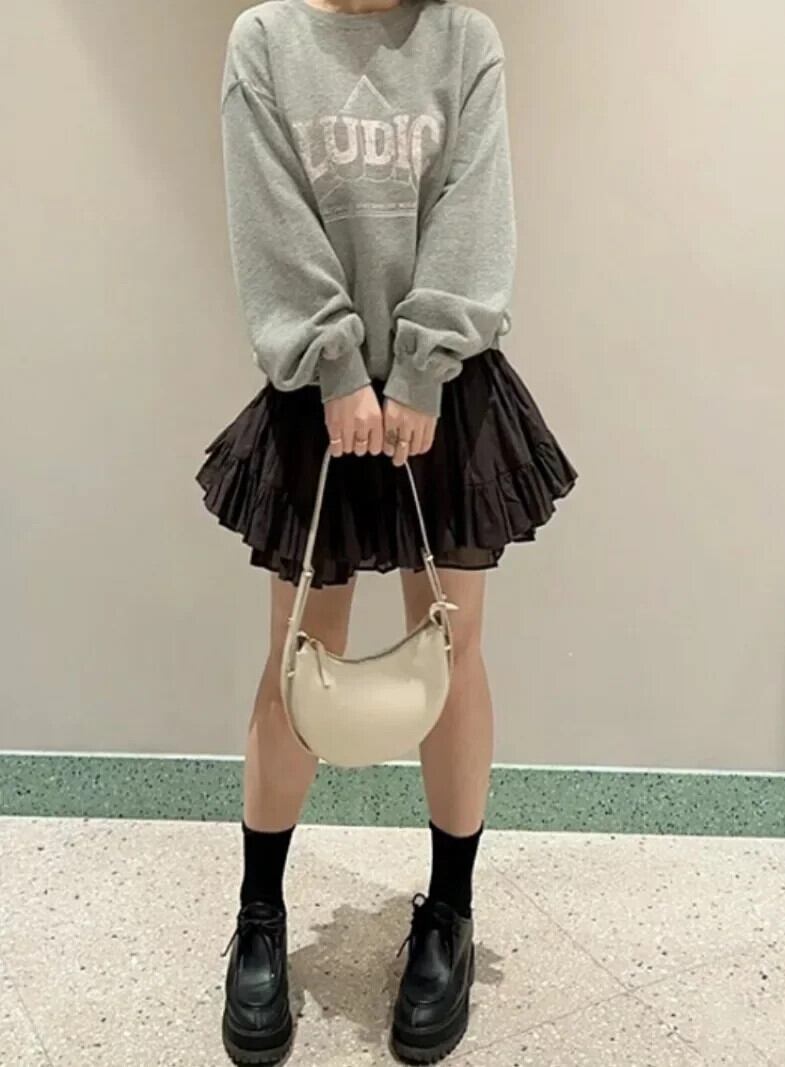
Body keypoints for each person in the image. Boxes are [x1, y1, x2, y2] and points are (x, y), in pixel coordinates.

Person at [196, 0, 577, 1062]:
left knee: (452, 645)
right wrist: (335, 366)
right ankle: (260, 914)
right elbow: (269, 214)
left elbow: (473, 206)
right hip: (315, 395)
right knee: (296, 653)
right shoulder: (267, 40)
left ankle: (449, 912)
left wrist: (418, 367)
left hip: (444, 391)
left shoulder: (464, 41)